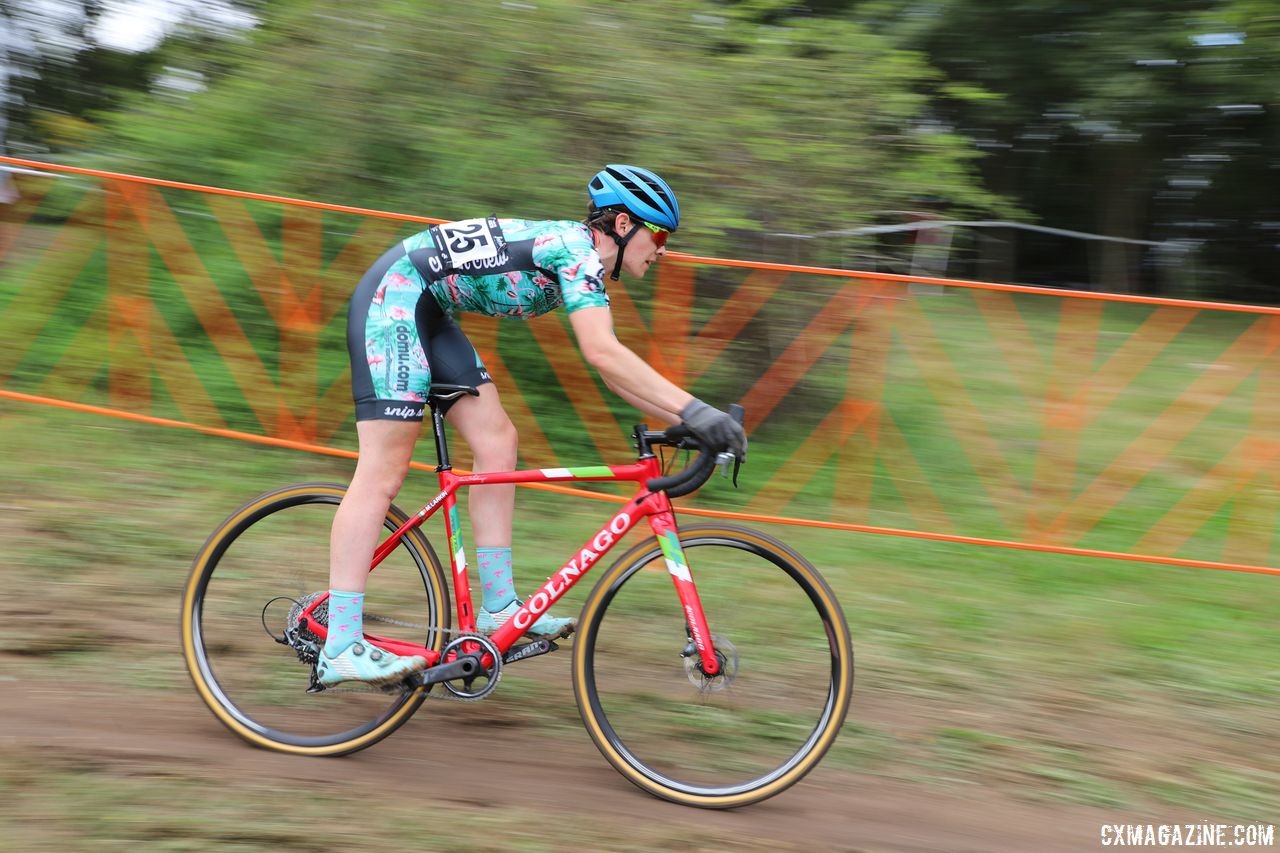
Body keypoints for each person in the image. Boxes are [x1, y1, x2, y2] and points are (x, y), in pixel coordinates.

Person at [317, 164, 748, 686]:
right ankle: (340, 642)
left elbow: (611, 371)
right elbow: (603, 352)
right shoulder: (575, 252)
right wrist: (698, 411)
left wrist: (685, 416)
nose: (663, 250)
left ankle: (500, 610)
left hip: (429, 310)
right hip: (395, 300)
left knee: (499, 441)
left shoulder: (582, 261)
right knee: (384, 472)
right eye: (657, 235)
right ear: (619, 225)